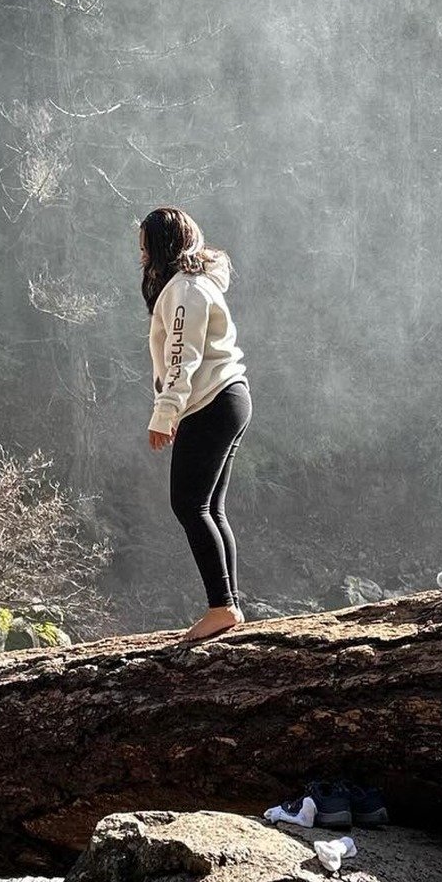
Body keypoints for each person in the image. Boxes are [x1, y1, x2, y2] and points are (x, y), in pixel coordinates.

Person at [140, 206, 252, 640]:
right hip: (227, 398)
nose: (142, 255)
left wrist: (164, 413)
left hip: (213, 400)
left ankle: (222, 606)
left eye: (146, 245)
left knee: (188, 504)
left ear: (163, 244)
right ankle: (229, 607)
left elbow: (182, 356)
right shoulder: (187, 286)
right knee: (208, 507)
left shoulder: (185, 289)